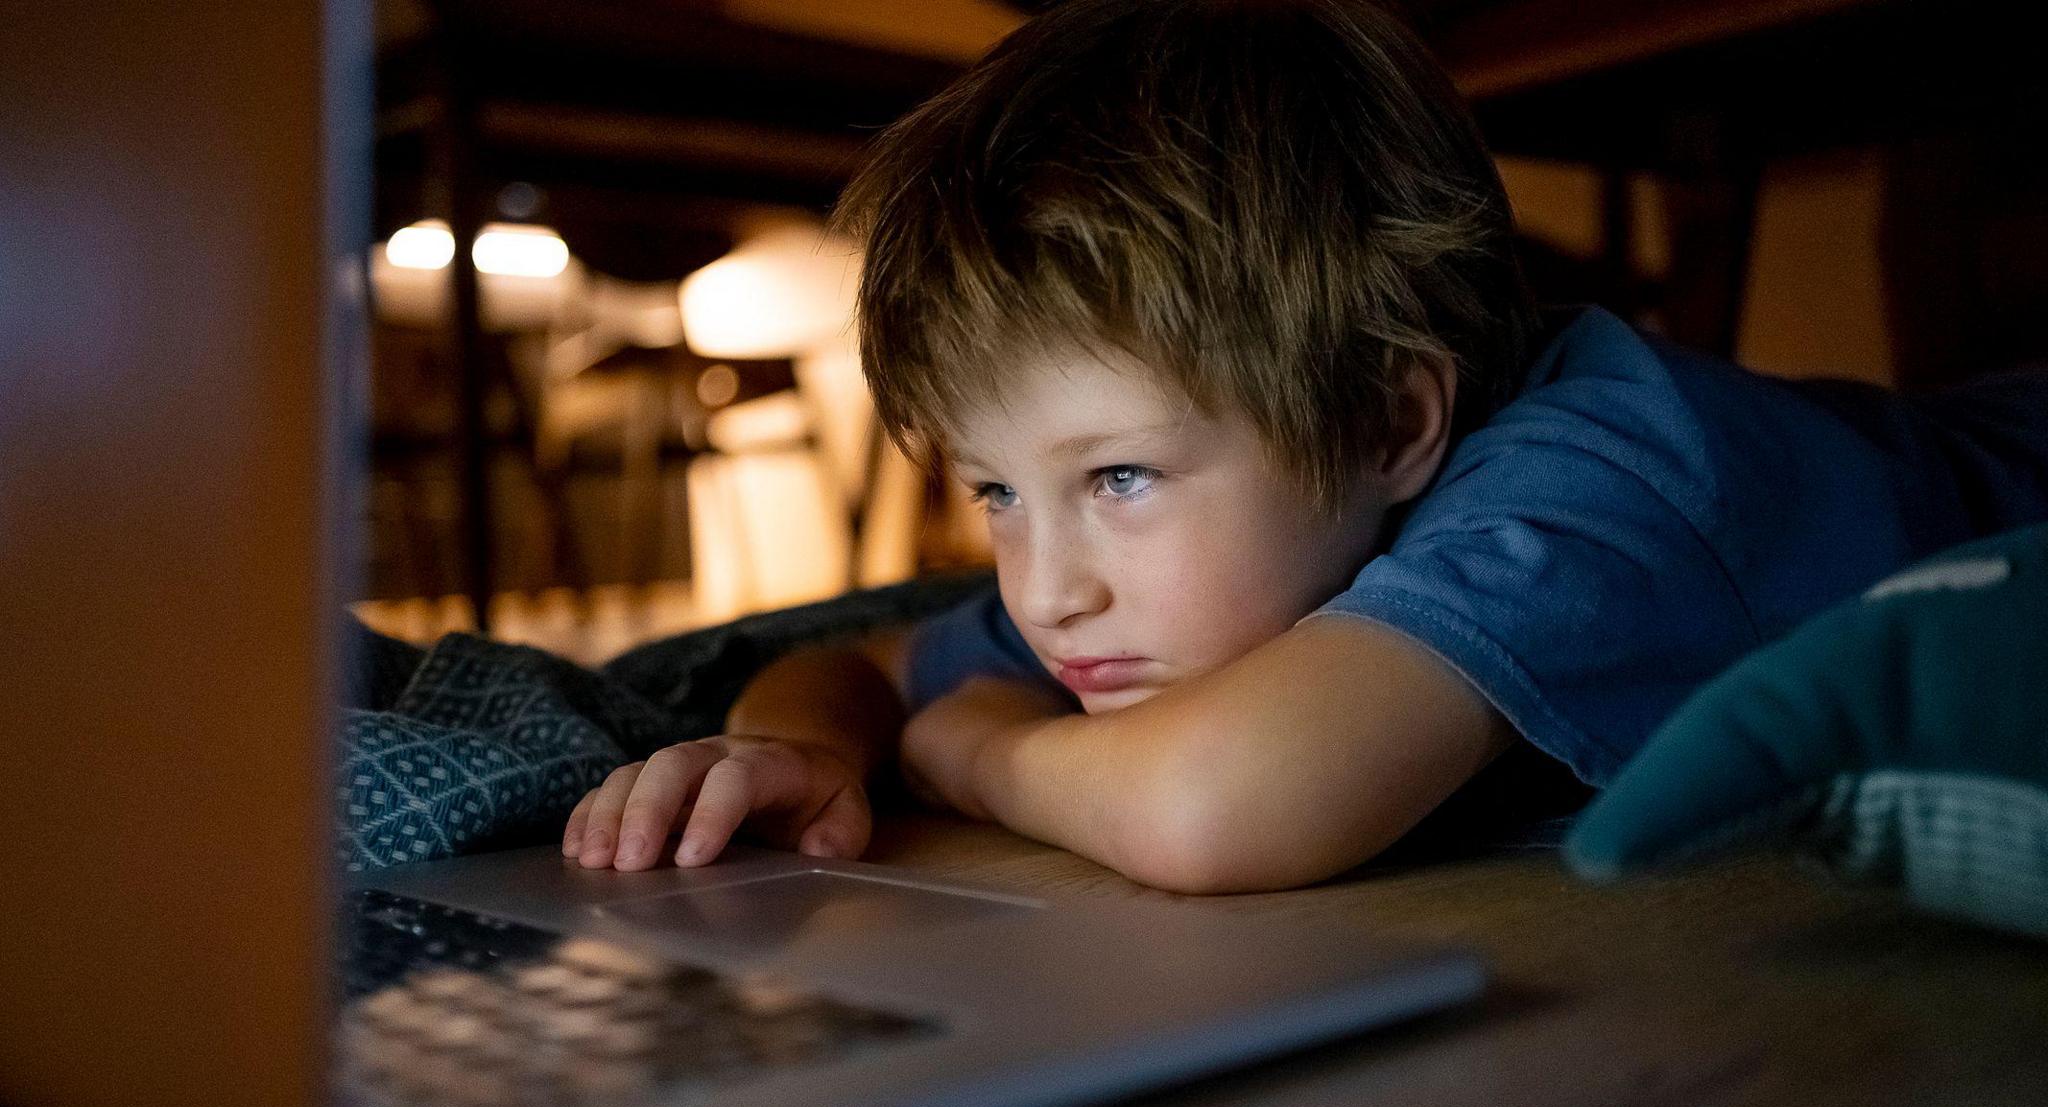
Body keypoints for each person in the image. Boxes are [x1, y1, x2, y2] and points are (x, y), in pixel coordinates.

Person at [560, 0, 2048, 893]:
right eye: (997, 491)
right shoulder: (1166, 572)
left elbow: (1216, 809)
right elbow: (863, 667)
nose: (1048, 590)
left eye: (1119, 480)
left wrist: (972, 750)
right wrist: (802, 750)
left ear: (1393, 420)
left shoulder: (1593, 476)